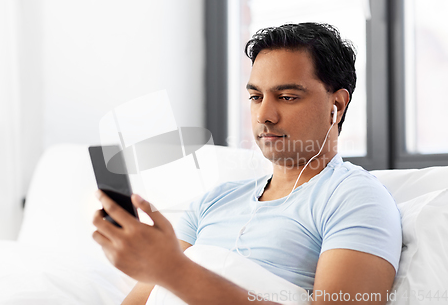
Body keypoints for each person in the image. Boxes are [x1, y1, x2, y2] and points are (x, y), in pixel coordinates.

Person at [92, 23, 402, 304]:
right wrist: (145, 257)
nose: (264, 116)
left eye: (287, 97)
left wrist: (172, 269)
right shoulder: (214, 201)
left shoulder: (355, 197)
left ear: (336, 105)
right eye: (256, 97)